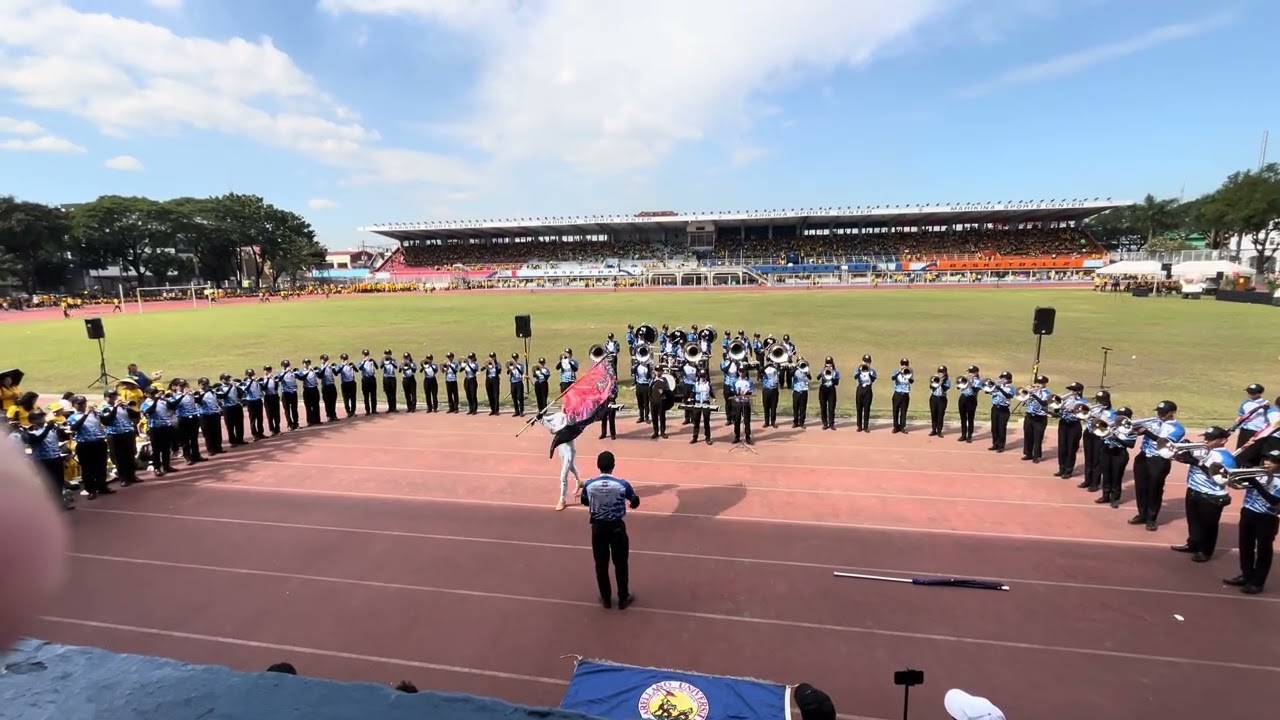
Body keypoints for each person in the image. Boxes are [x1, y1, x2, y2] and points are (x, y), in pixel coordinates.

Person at [580, 451, 639, 609]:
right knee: (620, 563)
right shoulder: (622, 484)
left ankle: (606, 598)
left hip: (598, 528)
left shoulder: (589, 484)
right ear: (613, 465)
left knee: (601, 564)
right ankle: (623, 597)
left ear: (598, 466)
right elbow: (635, 501)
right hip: (616, 528)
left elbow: (584, 500)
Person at [1225, 449, 1280, 595]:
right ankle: (1246, 575)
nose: (1267, 463)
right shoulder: (1258, 473)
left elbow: (1274, 501)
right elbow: (1239, 484)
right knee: (1245, 546)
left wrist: (1255, 484)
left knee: (1263, 551)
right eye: (1266, 459)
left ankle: (1257, 583)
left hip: (1267, 517)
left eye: (1273, 461)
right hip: (1248, 512)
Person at [539, 411, 582, 511]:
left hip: (569, 452)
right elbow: (548, 419)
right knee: (571, 467)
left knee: (563, 475)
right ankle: (578, 480)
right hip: (561, 449)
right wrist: (540, 417)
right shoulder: (558, 414)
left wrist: (542, 421)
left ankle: (562, 500)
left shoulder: (571, 420)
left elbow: (554, 430)